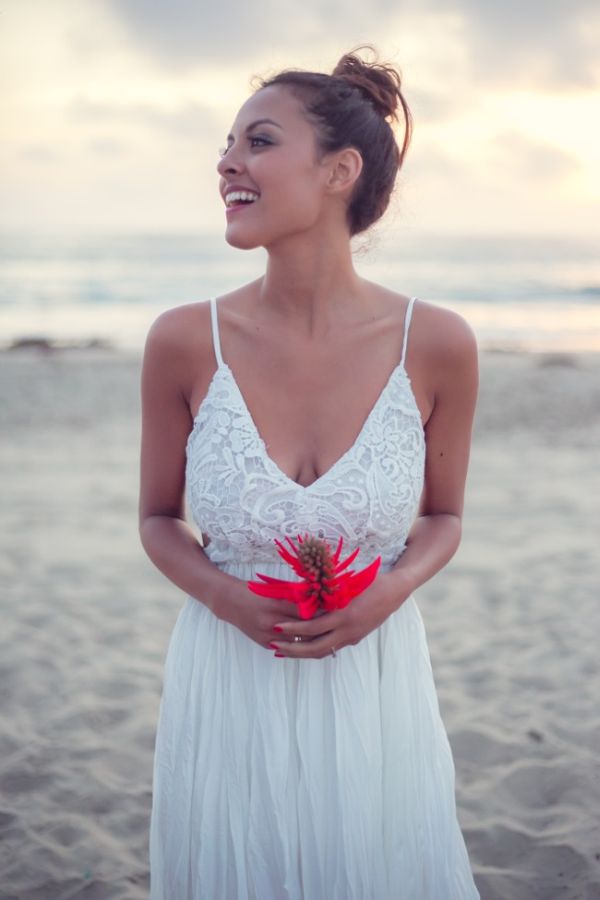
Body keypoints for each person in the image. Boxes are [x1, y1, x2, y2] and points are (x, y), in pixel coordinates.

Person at [140, 46, 480, 900]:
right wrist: (224, 597)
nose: (226, 163)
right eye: (226, 145)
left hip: (375, 680)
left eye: (257, 142)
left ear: (340, 171)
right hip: (228, 680)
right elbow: (156, 519)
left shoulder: (436, 344)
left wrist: (390, 591)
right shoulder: (184, 341)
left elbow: (443, 519)